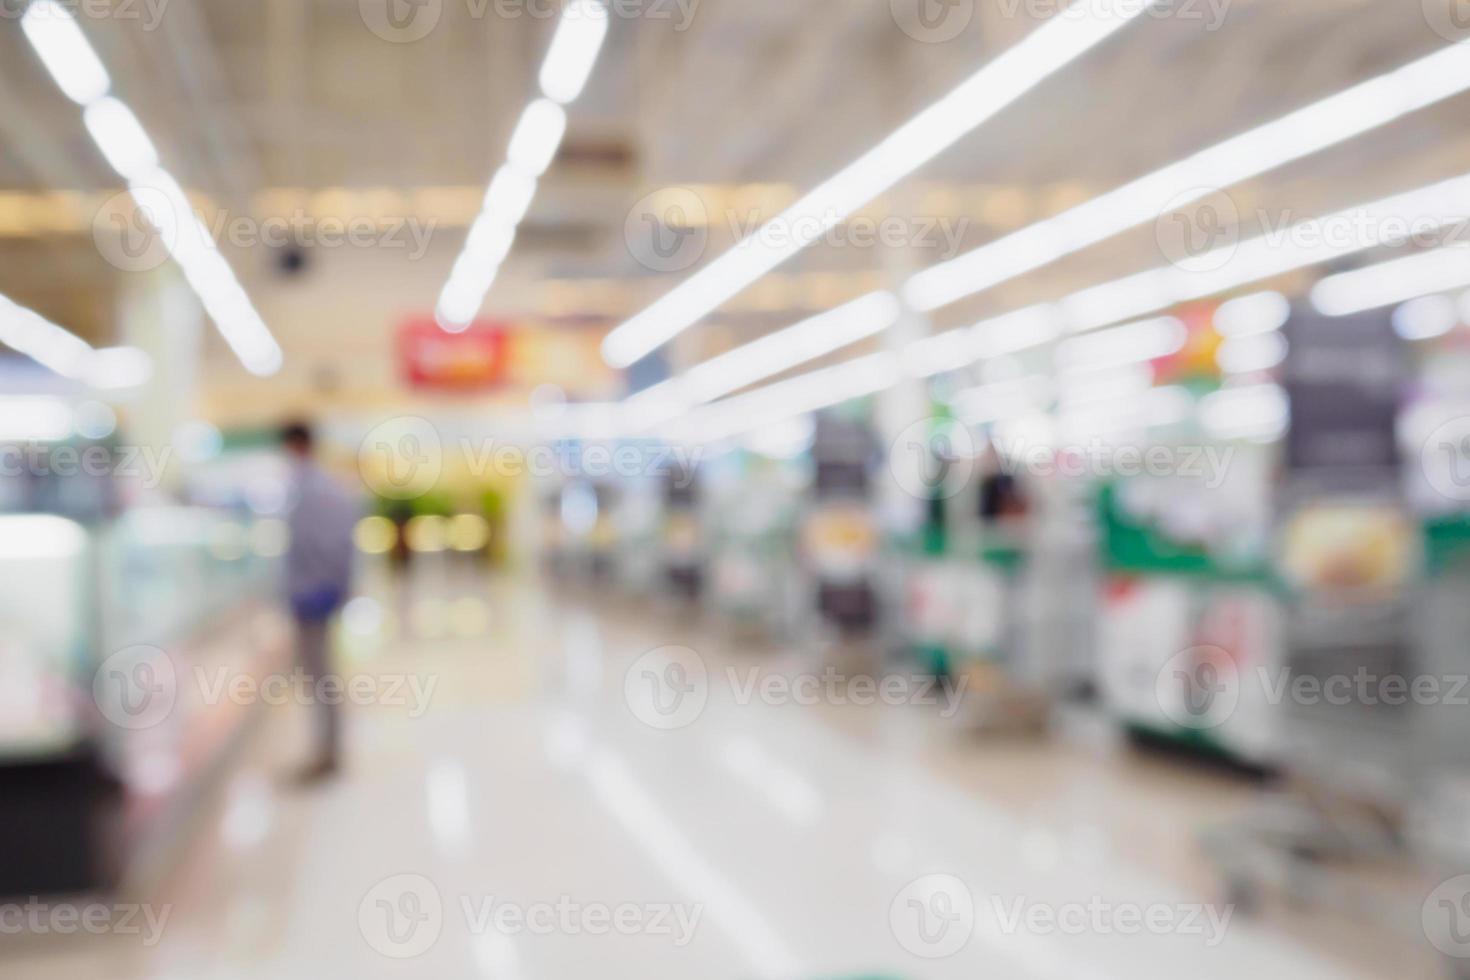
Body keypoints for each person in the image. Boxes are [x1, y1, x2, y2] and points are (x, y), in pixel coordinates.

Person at [280, 421, 357, 782]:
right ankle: (328, 749)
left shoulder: (308, 489)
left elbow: (320, 545)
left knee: (320, 678)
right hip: (319, 592)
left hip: (312, 595)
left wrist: (321, 587)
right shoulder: (325, 485)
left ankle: (327, 753)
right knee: (321, 677)